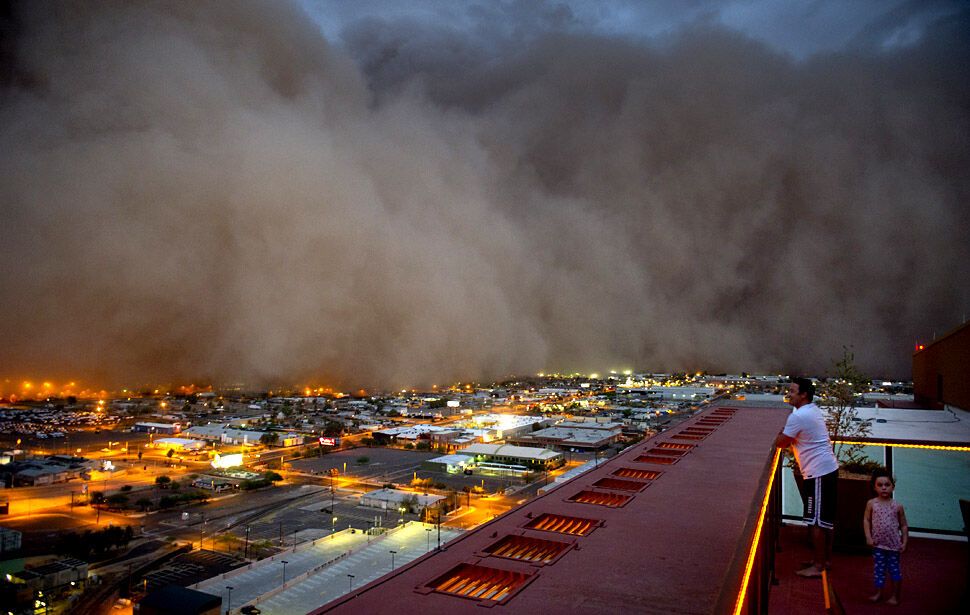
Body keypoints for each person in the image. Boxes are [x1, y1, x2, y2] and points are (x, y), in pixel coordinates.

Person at [775, 377, 839, 578]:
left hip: (818, 473)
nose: (789, 394)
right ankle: (823, 560)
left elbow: (781, 443)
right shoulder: (812, 410)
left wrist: (777, 434)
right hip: (827, 469)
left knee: (816, 522)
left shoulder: (799, 416)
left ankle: (819, 566)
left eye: (793, 391)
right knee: (825, 521)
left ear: (804, 394)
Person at [864, 469, 908, 605]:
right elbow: (866, 520)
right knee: (879, 570)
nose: (884, 487)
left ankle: (895, 595)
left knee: (894, 570)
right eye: (880, 485)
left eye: (887, 484)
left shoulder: (897, 506)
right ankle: (879, 593)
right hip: (878, 545)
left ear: (893, 487)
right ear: (874, 487)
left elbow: (904, 525)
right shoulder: (871, 504)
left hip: (894, 546)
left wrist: (905, 542)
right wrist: (868, 537)